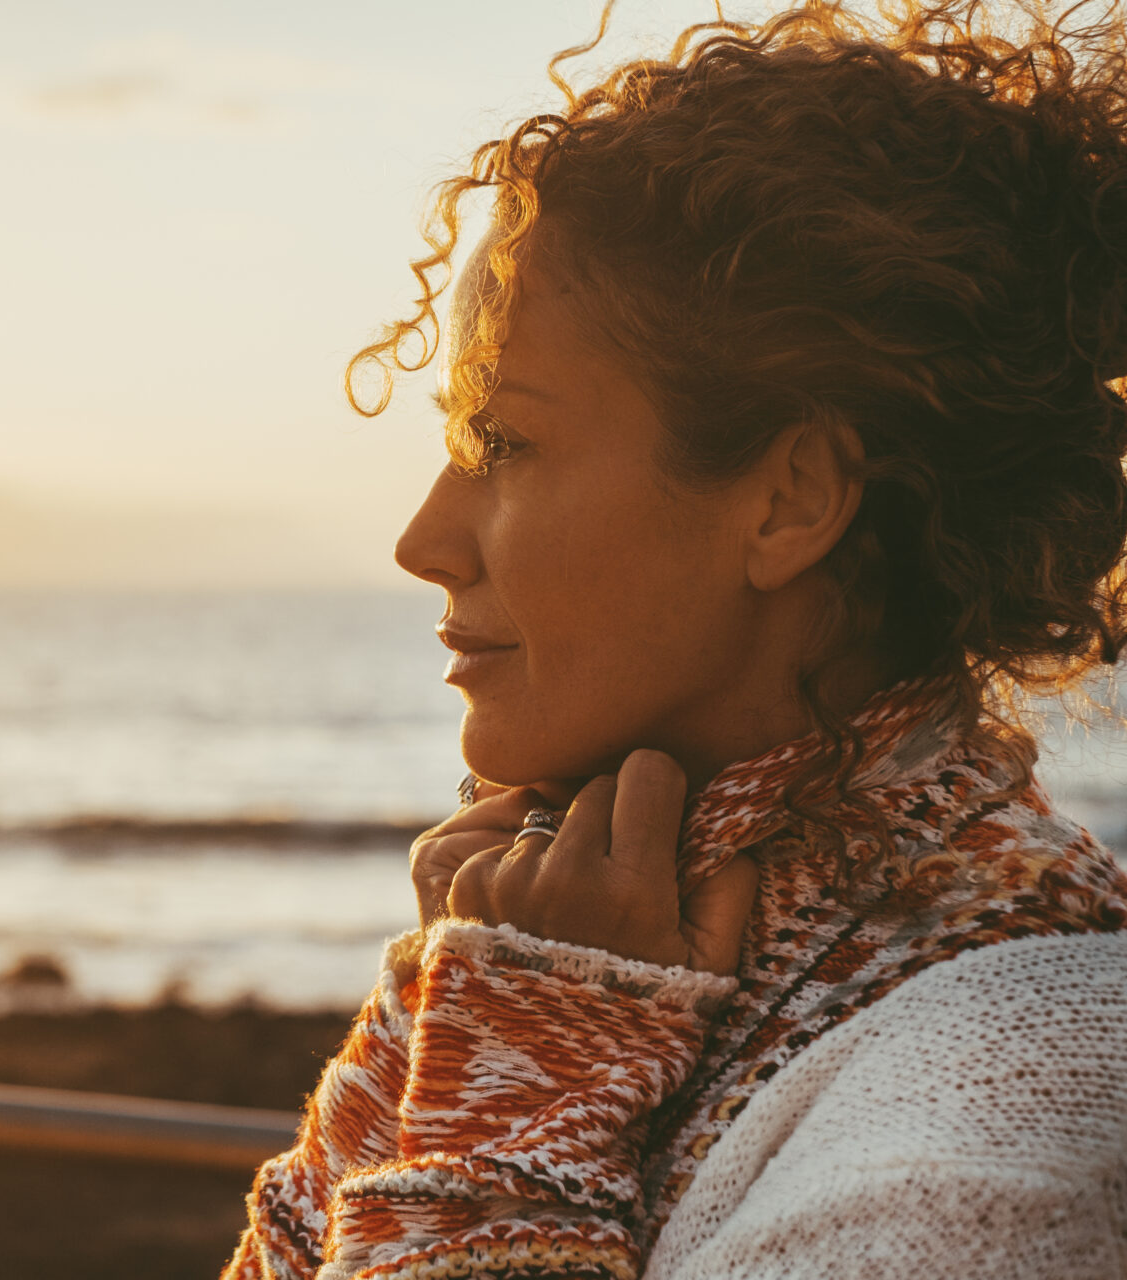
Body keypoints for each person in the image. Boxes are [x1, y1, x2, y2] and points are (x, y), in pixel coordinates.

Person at [224, 3, 1127, 1277]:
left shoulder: (1013, 1096)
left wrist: (516, 1100)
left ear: (790, 498)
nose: (423, 538)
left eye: (504, 444)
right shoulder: (583, 941)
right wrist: (460, 1016)